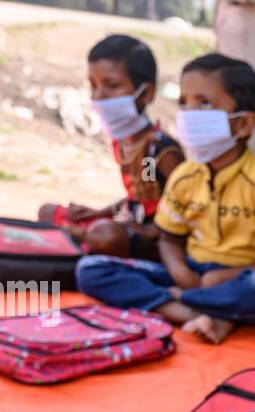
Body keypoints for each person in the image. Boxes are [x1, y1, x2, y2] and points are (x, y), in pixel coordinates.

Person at [76, 54, 255, 345]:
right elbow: (169, 239)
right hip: (190, 275)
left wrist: (221, 277)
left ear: (243, 124)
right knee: (91, 270)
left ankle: (184, 305)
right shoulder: (184, 177)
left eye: (204, 104)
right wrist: (180, 272)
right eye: (184, 103)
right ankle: (191, 311)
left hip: (236, 280)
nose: (189, 114)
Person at [37, 35, 183, 259]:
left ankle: (80, 238)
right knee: (47, 212)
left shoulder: (159, 151)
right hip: (128, 223)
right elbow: (138, 199)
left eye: (111, 85)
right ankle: (81, 237)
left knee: (106, 235)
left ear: (146, 93)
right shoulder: (123, 141)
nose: (98, 96)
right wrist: (99, 212)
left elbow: (187, 207)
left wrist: (148, 230)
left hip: (157, 238)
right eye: (93, 86)